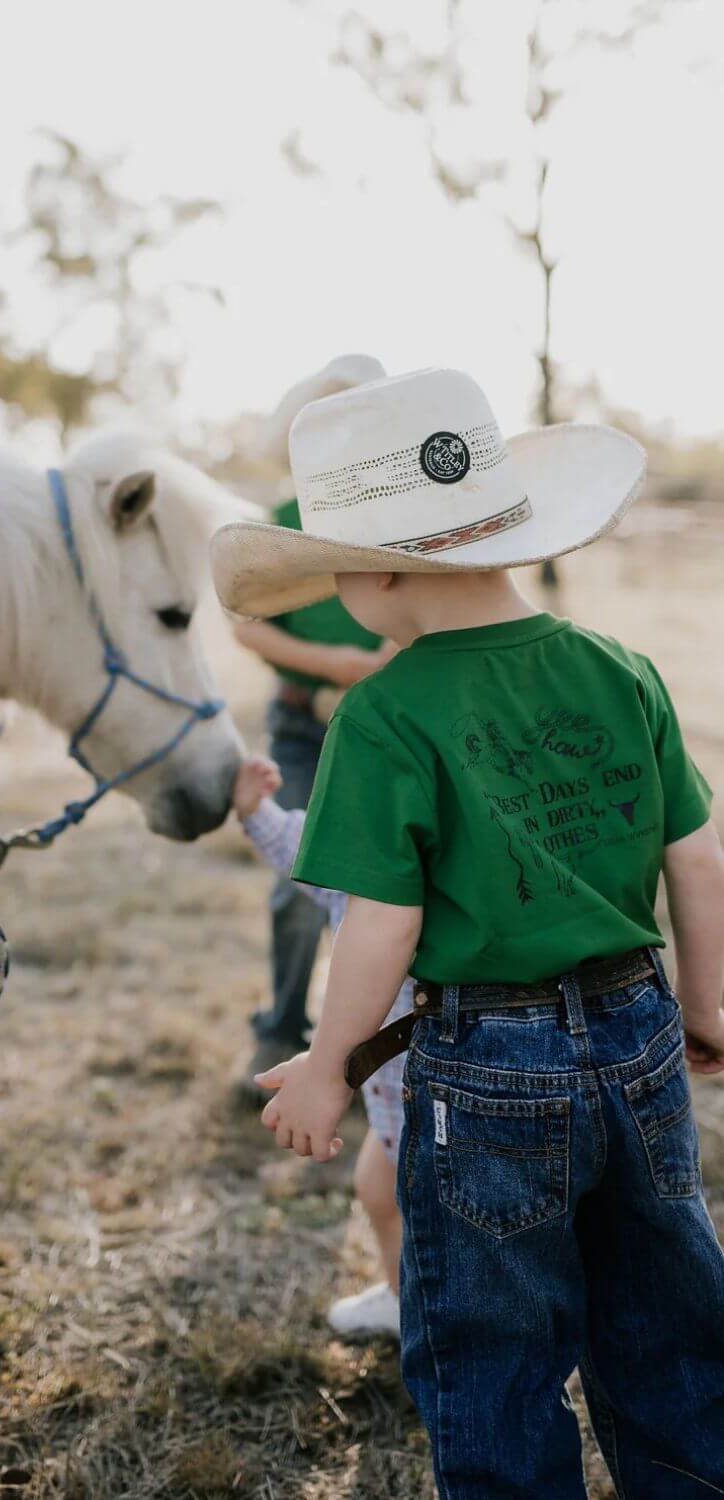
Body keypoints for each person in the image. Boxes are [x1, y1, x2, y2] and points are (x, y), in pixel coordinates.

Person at [211, 364, 724, 1498]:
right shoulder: (617, 668)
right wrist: (700, 1012)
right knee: (668, 1323)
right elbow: (696, 858)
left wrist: (329, 1067)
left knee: (494, 1352)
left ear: (382, 572)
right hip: (637, 1036)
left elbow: (381, 930)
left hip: (486, 1072)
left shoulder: (385, 714)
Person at [233, 355, 397, 1101]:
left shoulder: (400, 516)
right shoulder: (283, 525)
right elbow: (250, 630)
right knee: (301, 880)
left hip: (390, 727)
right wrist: (333, 663)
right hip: (304, 724)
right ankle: (280, 1028)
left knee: (396, 894)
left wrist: (380, 670)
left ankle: (379, 1053)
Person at [233, 752, 410, 1338]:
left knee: (459, 1227)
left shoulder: (420, 871)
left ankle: (483, 1328)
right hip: (392, 1103)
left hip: (448, 1095)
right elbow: (296, 845)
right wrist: (255, 808)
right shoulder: (347, 861)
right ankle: (404, 1296)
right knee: (377, 1191)